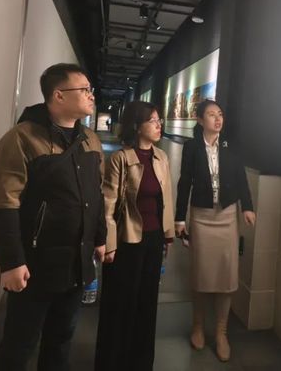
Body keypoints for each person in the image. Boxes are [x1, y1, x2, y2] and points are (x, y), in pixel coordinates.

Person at [0, 63, 106, 371]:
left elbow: (95, 194)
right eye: (84, 89)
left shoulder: (90, 139)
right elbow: (3, 202)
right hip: (36, 263)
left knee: (61, 339)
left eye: (90, 90)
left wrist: (100, 237)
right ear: (59, 95)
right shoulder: (22, 138)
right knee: (19, 343)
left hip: (76, 260)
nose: (91, 95)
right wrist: (11, 261)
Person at [95, 101, 175, 371]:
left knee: (147, 302)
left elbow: (166, 199)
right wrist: (109, 244)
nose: (159, 125)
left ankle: (140, 363)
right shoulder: (121, 158)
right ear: (137, 126)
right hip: (126, 241)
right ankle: (113, 362)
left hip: (153, 239)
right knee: (121, 304)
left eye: (159, 120)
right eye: (153, 120)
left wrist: (168, 235)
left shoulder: (161, 157)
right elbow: (108, 204)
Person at [175, 99, 256, 362]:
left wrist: (247, 206)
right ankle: (198, 326)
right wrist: (179, 218)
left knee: (226, 274)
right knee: (201, 273)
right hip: (201, 216)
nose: (218, 119)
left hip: (227, 215)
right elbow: (185, 182)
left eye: (220, 114)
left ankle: (221, 332)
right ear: (200, 120)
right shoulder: (191, 147)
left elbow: (241, 178)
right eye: (211, 115)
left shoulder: (230, 145)